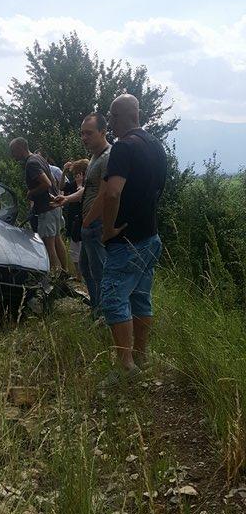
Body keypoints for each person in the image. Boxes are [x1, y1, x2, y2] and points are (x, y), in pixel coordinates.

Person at [101, 94, 167, 378]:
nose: (111, 122)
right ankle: (142, 356)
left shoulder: (123, 148)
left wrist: (108, 228)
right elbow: (159, 188)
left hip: (125, 239)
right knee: (141, 296)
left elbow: (113, 191)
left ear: (126, 116)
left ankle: (126, 365)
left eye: (113, 116)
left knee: (114, 297)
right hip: (150, 236)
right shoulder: (155, 145)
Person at [10, 138, 69, 272]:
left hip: (46, 208)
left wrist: (31, 193)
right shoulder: (39, 158)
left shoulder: (31, 163)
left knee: (49, 244)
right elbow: (52, 180)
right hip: (55, 205)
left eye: (13, 151)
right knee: (58, 239)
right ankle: (65, 273)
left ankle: (56, 277)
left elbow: (46, 183)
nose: (13, 155)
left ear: (20, 148)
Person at [77, 113, 111, 316]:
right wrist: (67, 199)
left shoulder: (108, 157)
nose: (84, 138)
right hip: (88, 223)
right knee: (85, 267)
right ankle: (96, 306)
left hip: (96, 223)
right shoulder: (94, 156)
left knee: (99, 270)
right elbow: (88, 189)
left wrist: (88, 221)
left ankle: (105, 313)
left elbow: (105, 194)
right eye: (82, 133)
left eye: (88, 133)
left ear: (103, 132)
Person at [59, 159, 89, 281]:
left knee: (81, 249)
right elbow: (61, 187)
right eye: (74, 174)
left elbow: (82, 197)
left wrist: (80, 185)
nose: (76, 176)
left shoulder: (89, 184)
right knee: (74, 249)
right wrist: (64, 172)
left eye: (77, 173)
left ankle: (84, 276)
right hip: (73, 220)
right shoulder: (73, 183)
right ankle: (79, 275)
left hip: (83, 220)